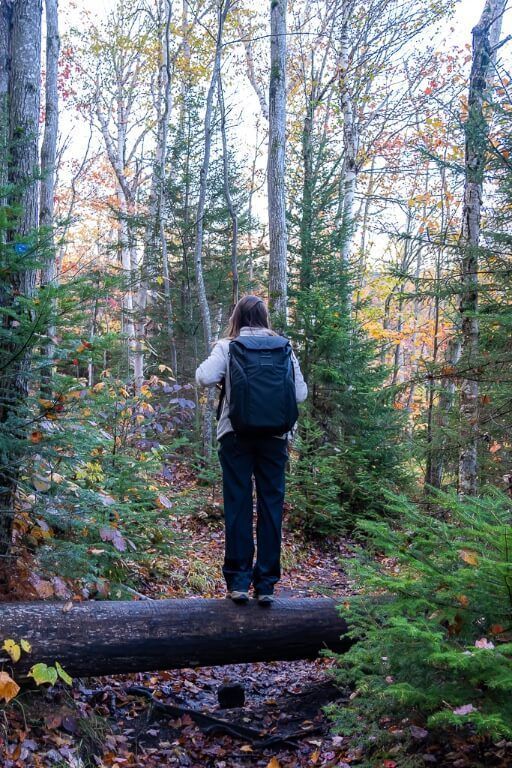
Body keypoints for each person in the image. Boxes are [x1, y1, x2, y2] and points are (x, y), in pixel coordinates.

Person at [195, 295, 307, 606]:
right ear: (264, 318)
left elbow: (204, 377)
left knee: (238, 505)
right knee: (272, 508)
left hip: (236, 436)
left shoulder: (229, 346)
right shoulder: (284, 347)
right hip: (275, 438)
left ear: (238, 318)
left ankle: (239, 582)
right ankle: (267, 584)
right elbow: (300, 394)